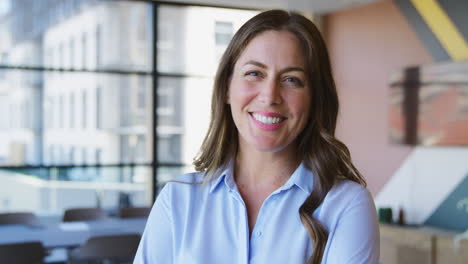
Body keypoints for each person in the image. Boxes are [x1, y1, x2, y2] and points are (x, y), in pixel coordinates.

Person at [134, 9, 379, 264]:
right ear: (227, 88)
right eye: (255, 73)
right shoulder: (178, 200)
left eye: (292, 80)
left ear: (315, 99)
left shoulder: (346, 205)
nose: (270, 95)